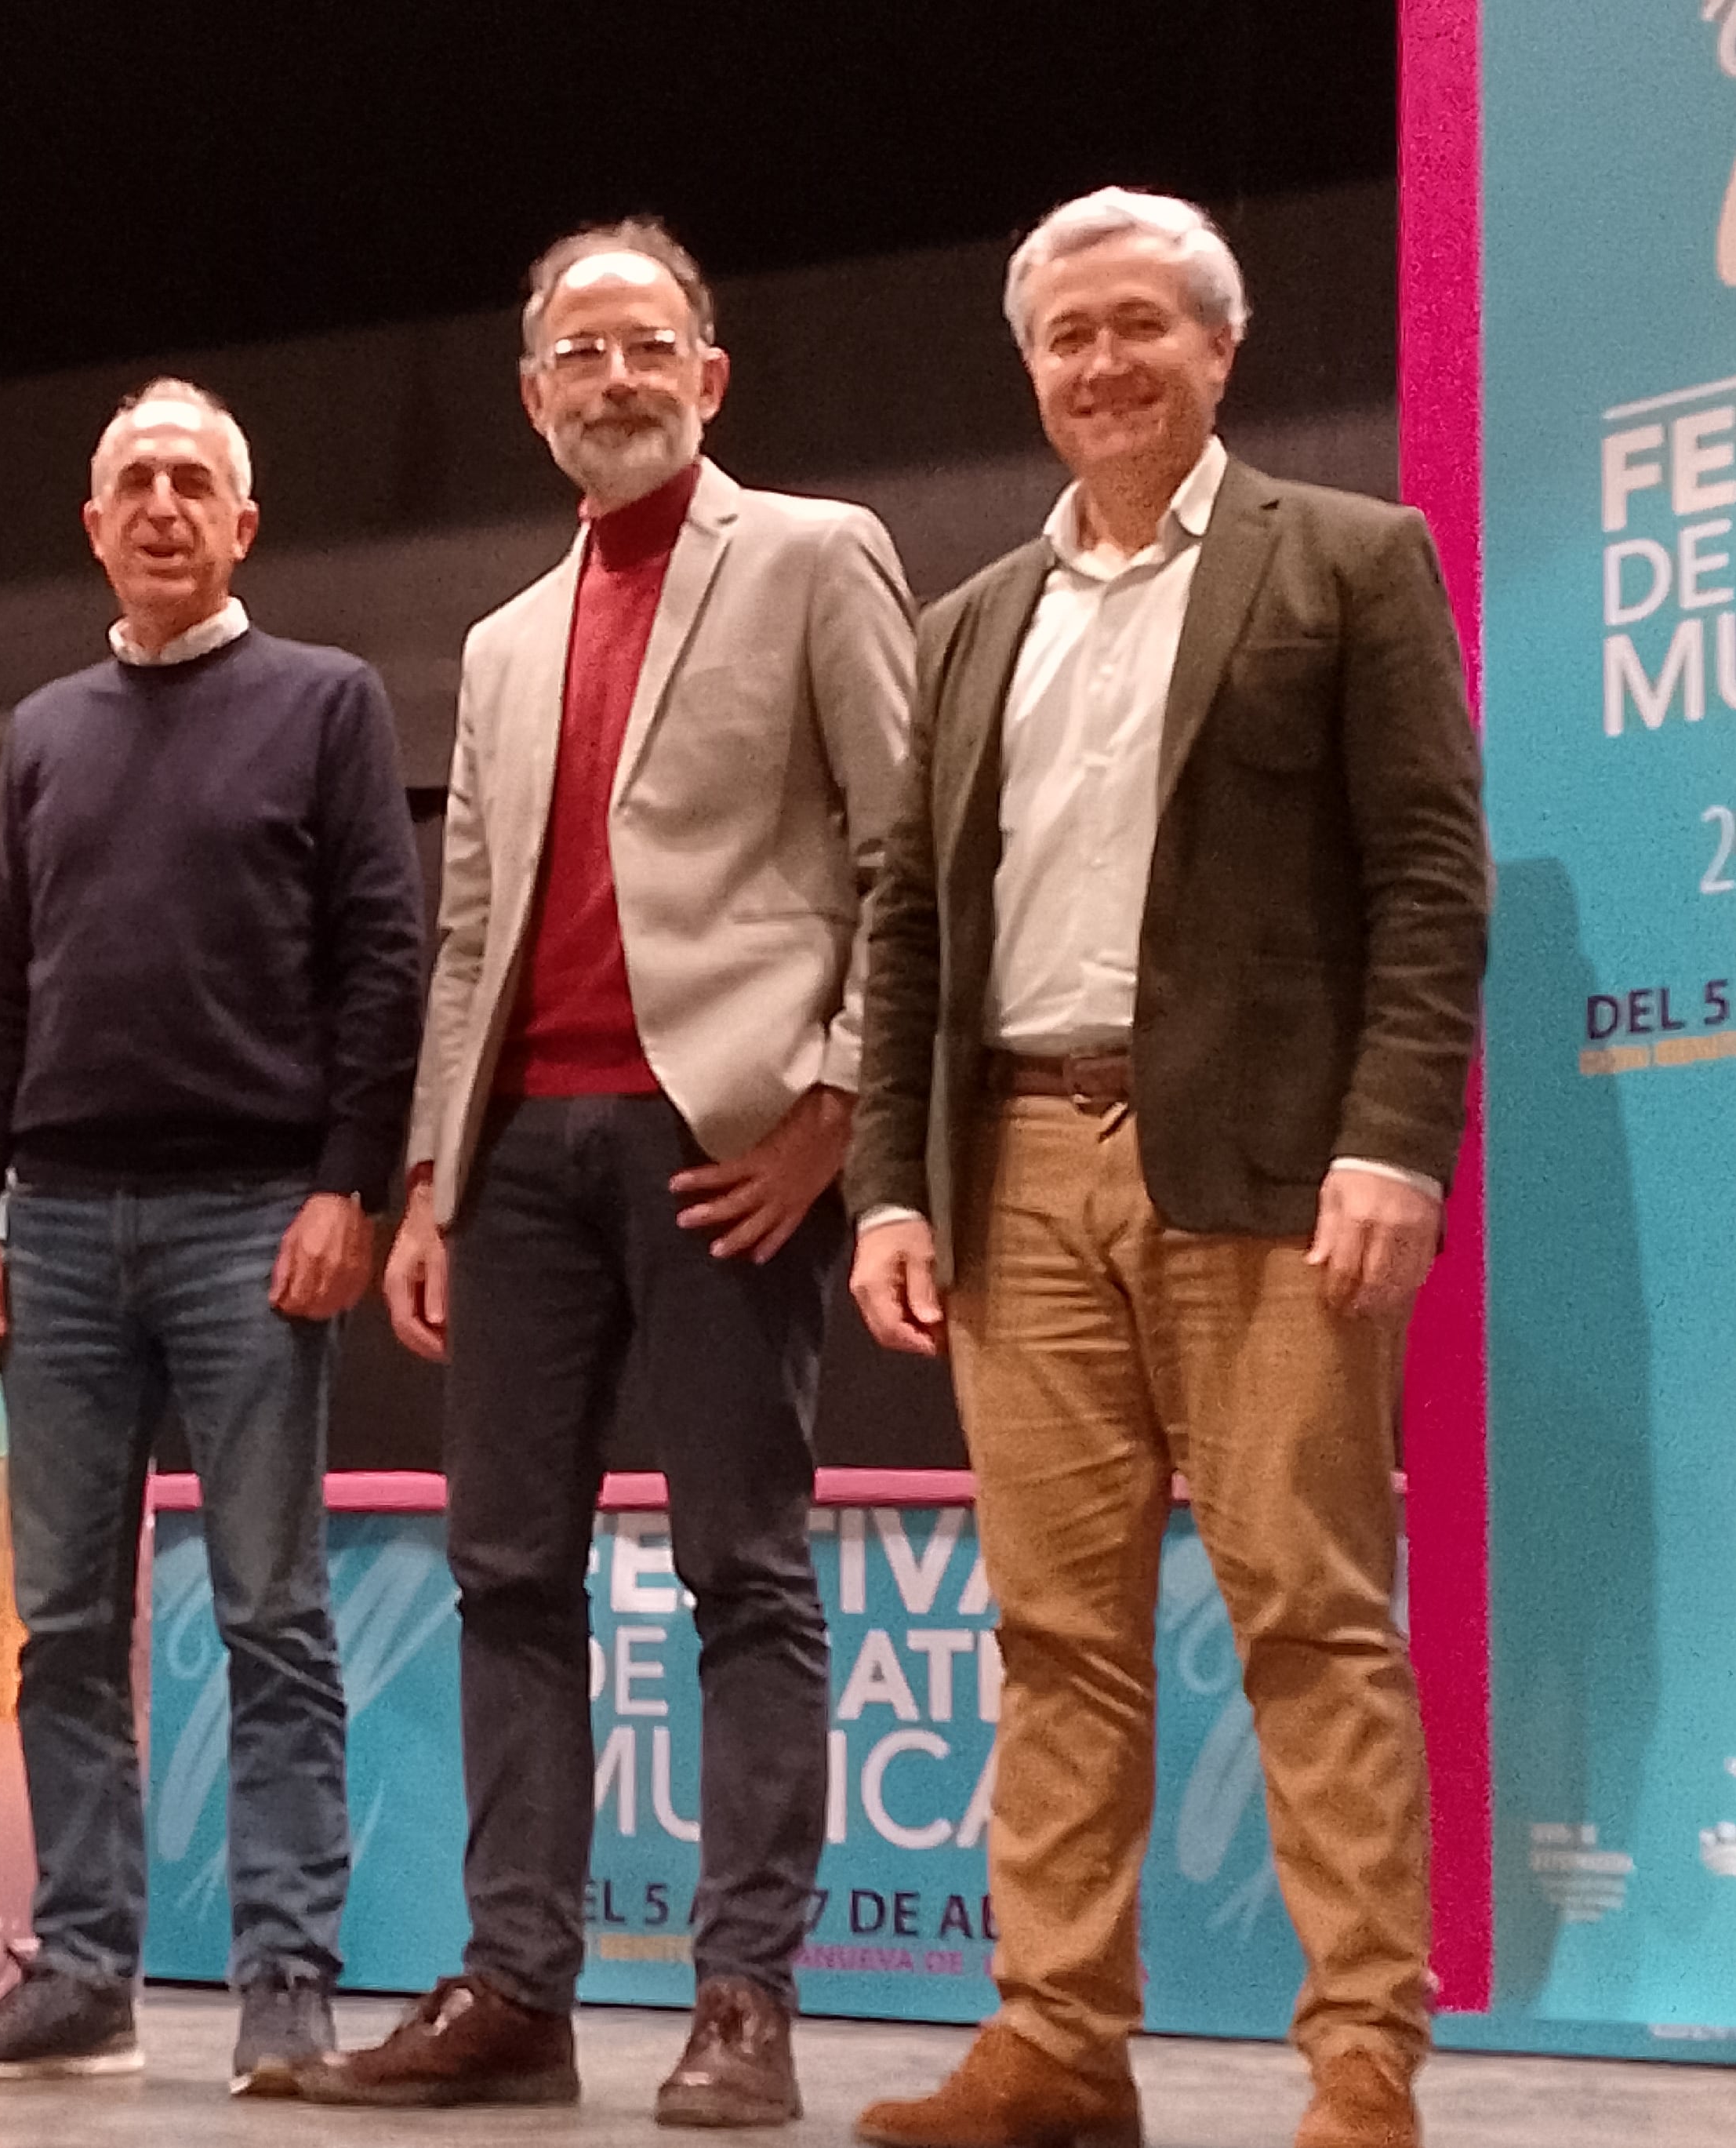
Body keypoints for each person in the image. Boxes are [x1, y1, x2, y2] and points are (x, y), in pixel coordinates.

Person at [845, 189, 1487, 2148]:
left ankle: (1358, 2060)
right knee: (1050, 1628)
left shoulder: (1350, 560)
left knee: (1308, 1611)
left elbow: (1428, 875)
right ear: (1028, 371)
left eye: (1140, 325)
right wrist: (890, 1182)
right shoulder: (968, 626)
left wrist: (1392, 1137)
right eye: (1064, 336)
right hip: (1015, 1161)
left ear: (1219, 347)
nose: (1101, 363)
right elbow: (905, 928)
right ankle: (1055, 2042)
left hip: (1269, 1170)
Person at [295, 221, 913, 2127]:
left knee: (742, 1567)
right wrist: (427, 1176)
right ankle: (513, 1991)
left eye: (648, 345)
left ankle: (743, 2000)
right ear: (533, 394)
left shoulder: (814, 554)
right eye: (579, 353)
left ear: (707, 376)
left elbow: (905, 860)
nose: (615, 378)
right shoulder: (494, 641)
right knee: (502, 1574)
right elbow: (465, 926)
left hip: (717, 1140)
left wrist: (830, 1110)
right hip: (522, 1160)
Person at [0, 380, 424, 2093]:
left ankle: (284, 1977)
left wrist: (350, 1181)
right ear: (92, 522)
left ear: (241, 526)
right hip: (52, 1225)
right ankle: (80, 1968)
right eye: (132, 480)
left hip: (250, 1221)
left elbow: (379, 956)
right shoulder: (45, 727)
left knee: (273, 1611)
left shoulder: (326, 701)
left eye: (193, 481)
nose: (160, 505)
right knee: (60, 1618)